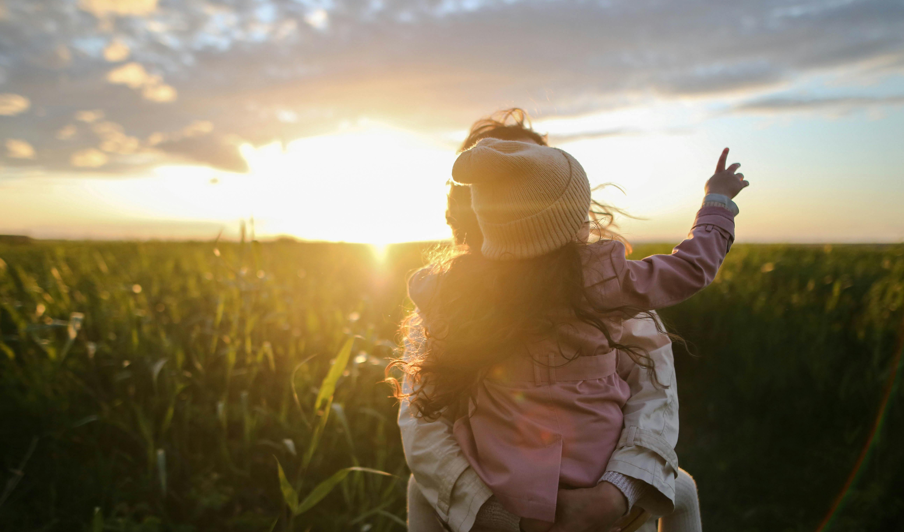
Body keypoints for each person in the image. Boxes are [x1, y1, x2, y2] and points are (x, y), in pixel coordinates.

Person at [394, 109, 746, 531]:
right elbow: (690, 269)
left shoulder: (452, 291)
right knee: (681, 490)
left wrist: (611, 494)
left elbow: (652, 392)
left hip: (518, 484)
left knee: (421, 487)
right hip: (574, 479)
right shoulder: (605, 281)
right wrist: (717, 205)